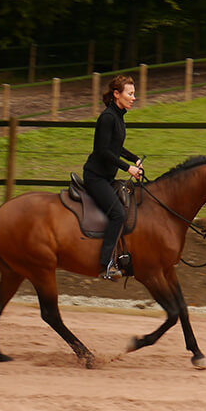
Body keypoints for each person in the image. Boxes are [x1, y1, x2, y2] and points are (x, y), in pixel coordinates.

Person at [82, 75, 144, 279]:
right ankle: (105, 264)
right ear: (117, 94)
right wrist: (128, 169)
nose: (134, 97)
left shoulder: (118, 116)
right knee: (118, 213)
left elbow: (115, 147)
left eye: (134, 94)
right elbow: (102, 151)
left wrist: (134, 159)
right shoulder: (108, 117)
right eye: (130, 93)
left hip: (106, 177)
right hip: (95, 177)